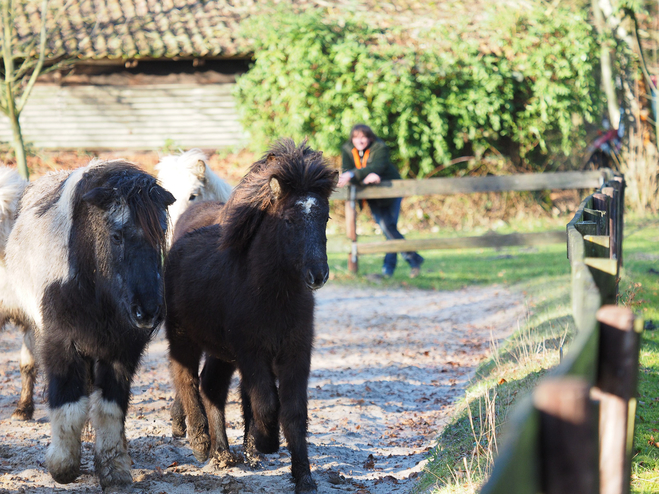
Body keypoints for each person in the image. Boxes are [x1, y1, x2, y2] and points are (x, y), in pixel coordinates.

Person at [337, 124, 424, 278]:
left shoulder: (380, 147)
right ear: (352, 139)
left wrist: (356, 174)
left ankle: (389, 270)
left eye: (363, 137)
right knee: (388, 229)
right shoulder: (347, 150)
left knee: (388, 228)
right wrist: (362, 179)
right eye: (356, 137)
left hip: (391, 193)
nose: (360, 141)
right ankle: (410, 260)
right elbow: (347, 171)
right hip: (371, 195)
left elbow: (377, 166)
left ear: (369, 138)